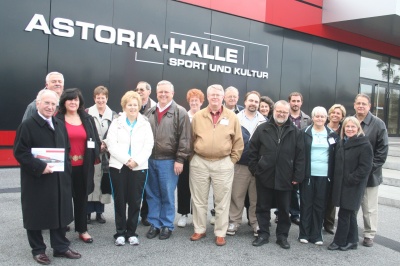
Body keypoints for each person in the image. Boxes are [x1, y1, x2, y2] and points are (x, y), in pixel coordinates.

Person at [14, 89, 81, 265]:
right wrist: (40, 166)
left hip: (59, 178)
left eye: (53, 104)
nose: (50, 107)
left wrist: (66, 171)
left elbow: (66, 150)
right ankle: (38, 250)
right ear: (38, 104)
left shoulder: (59, 124)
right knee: (36, 213)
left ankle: (60, 247)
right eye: (46, 103)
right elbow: (20, 152)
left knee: (59, 211)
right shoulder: (27, 125)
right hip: (36, 179)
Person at [190, 84, 244, 246]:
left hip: (223, 163)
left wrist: (231, 160)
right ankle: (199, 229)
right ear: (207, 97)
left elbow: (238, 142)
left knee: (222, 200)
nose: (215, 98)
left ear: (223, 98)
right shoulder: (198, 116)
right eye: (212, 95)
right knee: (199, 200)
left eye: (218, 95)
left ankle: (220, 232)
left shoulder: (232, 117)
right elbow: (191, 138)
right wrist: (193, 159)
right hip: (199, 162)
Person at [248, 100, 305, 249]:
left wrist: (297, 176)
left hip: (286, 177)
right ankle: (263, 234)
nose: (281, 114)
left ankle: (282, 236)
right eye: (279, 111)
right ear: (274, 111)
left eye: (285, 112)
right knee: (262, 207)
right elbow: (252, 150)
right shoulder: (262, 129)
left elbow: (300, 156)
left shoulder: (295, 132)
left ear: (288, 114)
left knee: (284, 209)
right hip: (264, 175)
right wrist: (255, 169)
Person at [105, 91, 154, 246]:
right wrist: (127, 160)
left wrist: (136, 161)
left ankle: (131, 232)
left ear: (139, 106)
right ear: (124, 106)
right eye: (129, 105)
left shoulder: (145, 124)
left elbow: (149, 146)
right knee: (119, 200)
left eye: (135, 105)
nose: (132, 107)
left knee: (135, 200)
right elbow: (111, 145)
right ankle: (120, 233)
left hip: (139, 167)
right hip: (119, 166)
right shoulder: (116, 123)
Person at [145, 80, 191, 240]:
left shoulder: (180, 112)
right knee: (152, 194)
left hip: (169, 160)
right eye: (160, 92)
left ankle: (166, 225)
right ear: (156, 94)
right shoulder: (149, 112)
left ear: (172, 93)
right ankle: (154, 223)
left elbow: (185, 138)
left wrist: (180, 159)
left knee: (167, 194)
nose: (163, 95)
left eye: (166, 92)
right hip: (150, 160)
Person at [56, 88, 101, 244]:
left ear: (80, 102)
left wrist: (96, 152)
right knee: (63, 198)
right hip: (64, 166)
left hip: (83, 166)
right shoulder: (57, 119)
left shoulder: (87, 118)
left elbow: (94, 139)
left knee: (81, 199)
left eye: (76, 99)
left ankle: (82, 230)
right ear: (64, 102)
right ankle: (61, 228)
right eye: (70, 99)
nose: (73, 102)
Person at [328, 117, 373, 251]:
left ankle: (339, 241)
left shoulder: (364, 145)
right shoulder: (342, 142)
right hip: (341, 184)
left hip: (353, 185)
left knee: (344, 213)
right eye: (347, 127)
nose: (350, 129)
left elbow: (365, 168)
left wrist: (350, 179)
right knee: (350, 213)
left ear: (358, 128)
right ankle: (352, 241)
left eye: (353, 127)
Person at [298, 107, 339, 245]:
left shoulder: (332, 134)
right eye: (317, 116)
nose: (320, 119)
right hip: (307, 175)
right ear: (313, 117)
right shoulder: (304, 132)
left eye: (322, 116)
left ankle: (316, 235)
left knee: (320, 205)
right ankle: (303, 233)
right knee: (306, 204)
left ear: (326, 118)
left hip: (325, 176)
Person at [227, 91, 265, 237]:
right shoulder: (235, 118)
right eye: (251, 101)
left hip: (257, 166)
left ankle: (255, 223)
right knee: (236, 195)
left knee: (256, 197)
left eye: (256, 101)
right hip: (240, 164)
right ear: (245, 101)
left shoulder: (264, 121)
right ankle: (234, 222)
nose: (253, 104)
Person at [354, 93, 389, 247]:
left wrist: (368, 169)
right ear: (354, 105)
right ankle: (351, 231)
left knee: (369, 207)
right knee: (351, 204)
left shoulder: (378, 124)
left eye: (364, 104)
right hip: (352, 174)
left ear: (369, 106)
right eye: (358, 103)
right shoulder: (350, 121)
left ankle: (369, 234)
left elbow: (382, 151)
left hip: (370, 174)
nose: (361, 106)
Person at [86, 86, 117, 224]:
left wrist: (105, 144)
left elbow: (115, 134)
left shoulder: (114, 115)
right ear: (94, 98)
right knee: (90, 181)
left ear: (107, 98)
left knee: (103, 183)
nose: (100, 100)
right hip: (91, 155)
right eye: (98, 97)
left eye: (103, 97)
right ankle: (87, 213)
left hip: (106, 155)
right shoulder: (86, 113)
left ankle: (99, 213)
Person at [177, 88, 205, 228]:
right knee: (183, 186)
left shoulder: (205, 116)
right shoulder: (183, 116)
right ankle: (183, 214)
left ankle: (196, 215)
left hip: (200, 157)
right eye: (192, 100)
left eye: (197, 100)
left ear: (201, 102)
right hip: (185, 157)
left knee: (198, 187)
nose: (194, 102)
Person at [285, 92, 311, 225]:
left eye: (298, 101)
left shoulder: (308, 119)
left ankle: (295, 213)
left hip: (300, 157)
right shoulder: (283, 116)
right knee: (282, 185)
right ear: (289, 101)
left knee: (296, 189)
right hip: (285, 156)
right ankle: (280, 213)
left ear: (301, 102)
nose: (295, 103)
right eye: (293, 101)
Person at [134, 81, 156, 226]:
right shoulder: (131, 104)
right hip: (134, 154)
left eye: (142, 89)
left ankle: (146, 215)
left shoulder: (155, 108)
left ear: (149, 91)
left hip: (150, 154)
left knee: (149, 188)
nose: (139, 91)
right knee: (135, 188)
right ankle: (133, 215)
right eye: (137, 89)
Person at [323, 104, 346, 235]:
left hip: (335, 168)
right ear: (329, 114)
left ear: (342, 117)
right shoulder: (322, 127)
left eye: (339, 113)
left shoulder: (343, 131)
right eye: (333, 113)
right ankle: (317, 221)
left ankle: (329, 223)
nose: (335, 115)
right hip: (322, 166)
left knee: (331, 197)